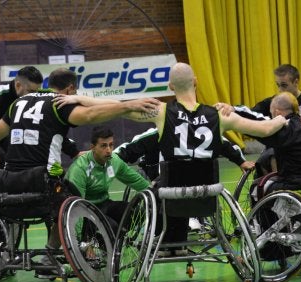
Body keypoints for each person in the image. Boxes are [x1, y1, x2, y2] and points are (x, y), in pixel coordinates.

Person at [61, 62, 287, 256]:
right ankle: (177, 243)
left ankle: (166, 244)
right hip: (208, 194)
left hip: (171, 195)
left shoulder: (160, 111)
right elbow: (265, 129)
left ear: (170, 87)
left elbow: (114, 107)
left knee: (152, 190)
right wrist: (284, 119)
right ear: (196, 82)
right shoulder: (219, 115)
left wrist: (77, 98)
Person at [0, 67, 160, 277]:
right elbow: (90, 114)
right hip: (41, 181)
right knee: (68, 198)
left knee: (16, 206)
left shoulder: (17, 104)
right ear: (70, 89)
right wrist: (127, 107)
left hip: (9, 182)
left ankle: (6, 252)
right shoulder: (58, 104)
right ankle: (49, 256)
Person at [114, 127, 255, 231]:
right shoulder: (203, 131)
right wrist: (240, 161)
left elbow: (125, 150)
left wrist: (111, 159)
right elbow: (226, 145)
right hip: (187, 188)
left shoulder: (197, 132)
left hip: (175, 188)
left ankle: (186, 218)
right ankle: (187, 217)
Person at [229, 64, 301, 175]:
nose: (280, 90)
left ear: (296, 82)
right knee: (270, 155)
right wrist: (233, 109)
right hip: (279, 149)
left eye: (284, 85)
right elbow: (250, 112)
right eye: (278, 85)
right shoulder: (274, 102)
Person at [65, 126, 150, 231]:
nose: (108, 150)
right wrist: (79, 244)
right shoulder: (80, 168)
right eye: (103, 146)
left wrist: (154, 194)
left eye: (111, 145)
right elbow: (76, 206)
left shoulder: (114, 161)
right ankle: (103, 239)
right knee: (111, 227)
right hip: (86, 209)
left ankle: (117, 239)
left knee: (138, 212)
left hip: (105, 204)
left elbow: (136, 180)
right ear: (92, 147)